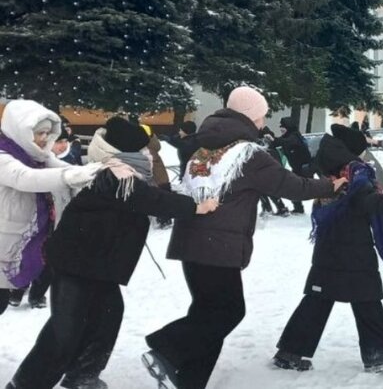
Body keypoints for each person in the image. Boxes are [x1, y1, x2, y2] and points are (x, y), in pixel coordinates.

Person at [143, 87, 344, 389]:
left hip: (190, 240)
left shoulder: (202, 147)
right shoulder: (248, 154)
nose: (263, 124)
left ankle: (187, 380)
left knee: (207, 314)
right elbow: (290, 186)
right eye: (262, 117)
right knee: (229, 311)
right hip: (218, 246)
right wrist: (332, 186)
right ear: (250, 117)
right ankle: (166, 348)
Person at [7, 117, 219, 389]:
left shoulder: (121, 171)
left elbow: (144, 196)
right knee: (66, 329)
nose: (147, 154)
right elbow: (149, 199)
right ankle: (26, 383)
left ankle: (82, 376)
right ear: (127, 151)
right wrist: (195, 207)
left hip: (98, 266)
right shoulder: (114, 174)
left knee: (107, 318)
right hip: (76, 263)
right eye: (141, 150)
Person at [273, 126, 383, 374]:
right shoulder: (354, 170)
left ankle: (291, 351)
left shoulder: (328, 162)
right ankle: (380, 353)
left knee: (321, 298)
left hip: (332, 241)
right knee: (365, 297)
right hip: (352, 244)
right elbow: (364, 199)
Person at [0, 100, 101, 316]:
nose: (44, 138)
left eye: (48, 133)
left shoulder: (37, 156)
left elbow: (63, 168)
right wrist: (68, 177)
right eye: (38, 133)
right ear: (21, 130)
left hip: (23, 233)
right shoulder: (3, 155)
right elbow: (24, 178)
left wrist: (93, 173)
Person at [271, 117, 316, 214]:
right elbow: (277, 142)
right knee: (292, 187)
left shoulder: (294, 136)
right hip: (297, 168)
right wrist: (270, 138)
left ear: (288, 127)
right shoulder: (287, 136)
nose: (281, 129)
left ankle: (300, 207)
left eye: (283, 127)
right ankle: (298, 208)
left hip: (304, 168)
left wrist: (273, 139)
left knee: (296, 187)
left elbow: (284, 142)